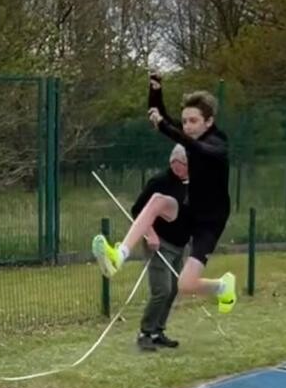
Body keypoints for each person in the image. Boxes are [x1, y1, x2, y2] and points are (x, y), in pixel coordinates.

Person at [93, 73, 236, 314]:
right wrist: (156, 90)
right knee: (157, 200)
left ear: (209, 122)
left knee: (185, 285)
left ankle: (222, 287)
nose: (187, 126)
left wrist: (165, 127)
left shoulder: (218, 143)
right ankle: (119, 256)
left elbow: (195, 146)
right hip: (190, 208)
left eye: (193, 121)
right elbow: (160, 116)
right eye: (185, 121)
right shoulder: (190, 135)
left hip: (210, 221)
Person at [132, 144, 190, 352]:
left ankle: (158, 331)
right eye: (176, 163)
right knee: (162, 290)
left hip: (179, 245)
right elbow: (138, 210)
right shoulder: (160, 182)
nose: (178, 167)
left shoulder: (191, 182)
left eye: (183, 163)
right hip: (160, 243)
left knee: (173, 289)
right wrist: (150, 233)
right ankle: (145, 333)